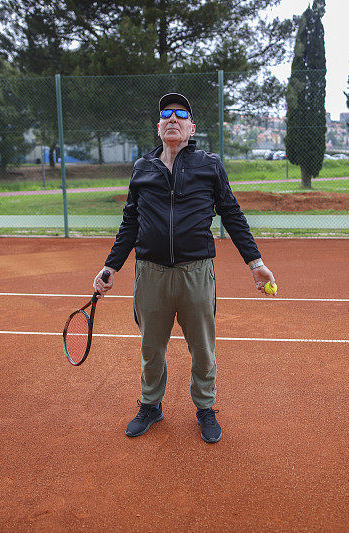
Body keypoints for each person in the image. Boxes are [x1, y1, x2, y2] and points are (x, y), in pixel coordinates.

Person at [91, 93, 276, 443]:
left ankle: (205, 409)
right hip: (150, 274)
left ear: (192, 127)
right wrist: (111, 266)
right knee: (151, 347)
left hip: (196, 273)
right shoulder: (143, 168)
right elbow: (130, 221)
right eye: (166, 114)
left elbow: (232, 214)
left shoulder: (209, 164)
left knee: (203, 347)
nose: (172, 118)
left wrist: (256, 263)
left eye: (181, 114)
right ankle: (151, 405)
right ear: (158, 126)